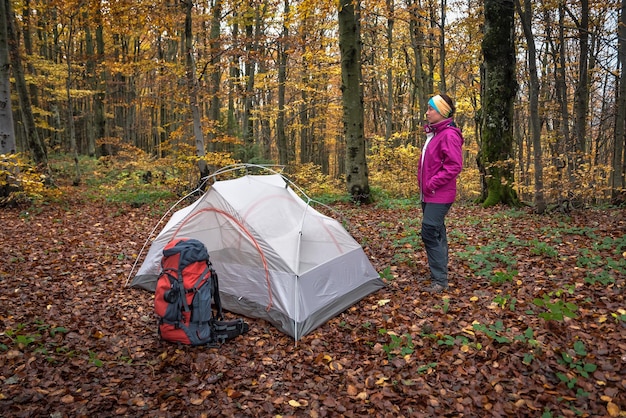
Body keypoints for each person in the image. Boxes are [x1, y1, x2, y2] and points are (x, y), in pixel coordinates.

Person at [417, 93, 464, 293]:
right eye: (428, 108)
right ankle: (439, 273)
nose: (427, 112)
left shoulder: (449, 135)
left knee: (429, 231)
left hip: (439, 194)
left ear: (442, 112)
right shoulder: (435, 133)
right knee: (436, 232)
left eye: (431, 109)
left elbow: (454, 166)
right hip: (429, 193)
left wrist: (431, 183)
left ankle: (440, 281)